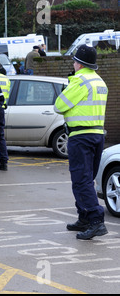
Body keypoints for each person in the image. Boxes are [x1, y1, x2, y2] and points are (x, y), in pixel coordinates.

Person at [54, 45, 108, 240]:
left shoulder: (79, 81)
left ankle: (95, 220)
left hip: (80, 136)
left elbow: (59, 106)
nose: (73, 63)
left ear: (80, 63)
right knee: (87, 178)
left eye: (74, 61)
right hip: (97, 135)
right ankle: (84, 217)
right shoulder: (99, 81)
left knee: (81, 179)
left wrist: (69, 86)